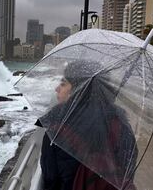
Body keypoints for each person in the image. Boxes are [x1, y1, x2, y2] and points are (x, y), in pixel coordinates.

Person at [36, 60, 137, 190]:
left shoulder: (57, 131)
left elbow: (51, 181)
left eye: (63, 83)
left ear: (78, 89)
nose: (57, 88)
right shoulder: (122, 127)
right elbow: (127, 173)